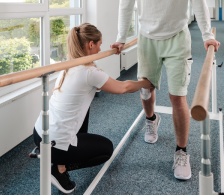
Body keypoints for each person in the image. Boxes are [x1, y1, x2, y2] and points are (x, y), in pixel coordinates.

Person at [110, 0, 220, 180]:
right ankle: (151, 121)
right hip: (147, 38)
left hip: (176, 37)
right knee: (146, 92)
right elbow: (126, 4)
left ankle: (181, 151)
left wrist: (206, 33)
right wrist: (121, 37)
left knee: (177, 97)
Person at [34, 23, 153, 193]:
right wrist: (148, 83)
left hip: (39, 133)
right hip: (54, 143)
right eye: (99, 44)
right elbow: (123, 88)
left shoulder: (69, 65)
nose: (100, 49)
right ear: (91, 44)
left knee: (85, 105)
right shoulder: (89, 73)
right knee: (106, 150)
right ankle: (59, 169)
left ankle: (60, 158)